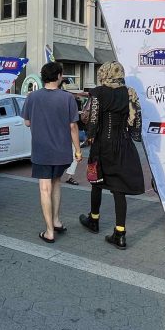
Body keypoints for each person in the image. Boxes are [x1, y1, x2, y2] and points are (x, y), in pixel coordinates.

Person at [77, 62, 144, 249]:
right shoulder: (129, 92)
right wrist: (134, 135)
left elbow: (93, 118)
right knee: (119, 188)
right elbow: (136, 119)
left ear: (104, 73)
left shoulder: (99, 92)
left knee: (96, 182)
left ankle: (94, 220)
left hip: (102, 144)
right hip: (123, 144)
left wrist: (90, 135)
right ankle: (120, 234)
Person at [21, 62, 81, 244]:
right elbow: (73, 126)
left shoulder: (32, 97)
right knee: (56, 183)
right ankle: (56, 221)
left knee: (44, 189)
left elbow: (27, 122)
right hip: (62, 151)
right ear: (59, 76)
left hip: (42, 151)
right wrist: (78, 150)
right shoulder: (68, 98)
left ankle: (49, 232)